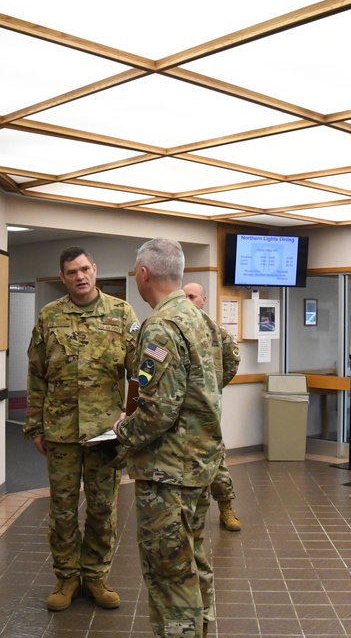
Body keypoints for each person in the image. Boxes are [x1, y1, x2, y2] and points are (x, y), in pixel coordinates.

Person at [113, 238, 238, 638]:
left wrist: (121, 432)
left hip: (168, 473)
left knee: (168, 570)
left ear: (144, 274)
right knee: (193, 559)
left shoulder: (161, 326)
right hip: (201, 465)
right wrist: (201, 402)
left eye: (135, 271)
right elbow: (230, 360)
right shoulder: (199, 317)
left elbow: (156, 412)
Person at [25, 246, 140, 611]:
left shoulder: (122, 314)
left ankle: (96, 575)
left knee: (103, 508)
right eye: (72, 271)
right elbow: (36, 374)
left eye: (85, 269)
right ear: (62, 277)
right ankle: (66, 578)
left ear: (96, 269)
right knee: (61, 509)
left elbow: (139, 373)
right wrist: (35, 425)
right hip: (59, 431)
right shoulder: (49, 316)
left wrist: (131, 417)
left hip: (105, 432)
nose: (80, 276)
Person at [182, 282, 242, 531]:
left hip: (206, 410)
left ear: (204, 300)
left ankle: (226, 507)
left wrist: (214, 388)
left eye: (192, 296)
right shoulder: (174, 329)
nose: (188, 300)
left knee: (216, 458)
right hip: (180, 409)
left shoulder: (216, 331)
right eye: (184, 296)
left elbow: (232, 360)